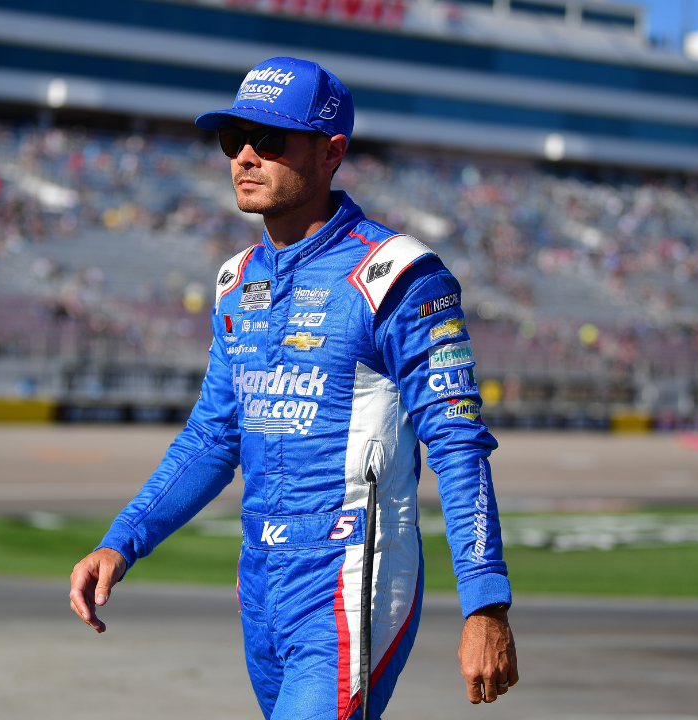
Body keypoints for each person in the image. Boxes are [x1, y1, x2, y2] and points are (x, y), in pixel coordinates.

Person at [70, 57, 518, 719]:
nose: (244, 157)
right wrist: (122, 539)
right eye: (233, 139)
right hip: (260, 579)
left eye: (270, 140)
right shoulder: (235, 281)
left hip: (353, 574)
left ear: (331, 152)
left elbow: (457, 443)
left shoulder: (398, 275)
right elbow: (213, 437)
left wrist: (485, 603)